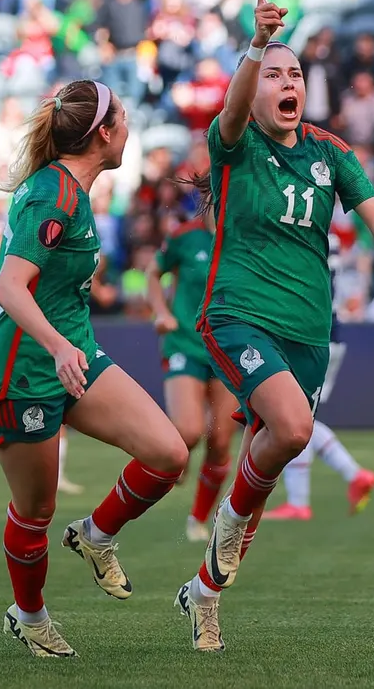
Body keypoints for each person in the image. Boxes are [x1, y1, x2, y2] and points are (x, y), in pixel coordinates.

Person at [176, 0, 374, 652]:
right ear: (256, 86)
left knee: (280, 450)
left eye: (295, 71)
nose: (286, 80)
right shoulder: (233, 141)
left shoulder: (329, 151)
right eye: (274, 73)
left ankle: (204, 592)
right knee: (293, 429)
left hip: (308, 328)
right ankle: (229, 524)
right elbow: (229, 112)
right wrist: (256, 42)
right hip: (239, 312)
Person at [0, 80, 189, 658]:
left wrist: (72, 347)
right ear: (105, 134)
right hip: (22, 374)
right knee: (35, 513)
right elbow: (10, 288)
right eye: (122, 118)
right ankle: (30, 615)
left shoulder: (72, 190)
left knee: (168, 454)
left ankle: (96, 534)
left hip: (75, 356)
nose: (128, 128)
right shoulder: (54, 195)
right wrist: (59, 348)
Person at [266, 231, 374, 521]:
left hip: (311, 334)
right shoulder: (327, 234)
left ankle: (301, 501)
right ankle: (351, 476)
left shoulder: (304, 230)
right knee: (302, 417)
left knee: (296, 418)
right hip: (328, 332)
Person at [145, 208, 239, 543]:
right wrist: (161, 312)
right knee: (188, 430)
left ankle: (198, 519)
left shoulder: (246, 233)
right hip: (185, 340)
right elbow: (153, 273)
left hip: (229, 347)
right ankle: (173, 460)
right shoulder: (185, 236)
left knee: (222, 440)